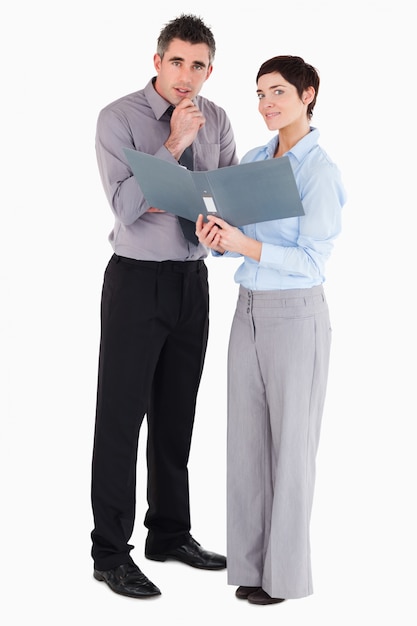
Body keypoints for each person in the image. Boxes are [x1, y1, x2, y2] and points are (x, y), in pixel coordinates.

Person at [91, 14, 238, 599]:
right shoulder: (119, 119)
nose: (187, 75)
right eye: (177, 61)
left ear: (209, 68)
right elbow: (127, 205)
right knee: (121, 420)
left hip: (190, 283)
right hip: (135, 283)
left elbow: (221, 198)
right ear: (158, 62)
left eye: (198, 64)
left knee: (177, 417)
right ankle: (109, 552)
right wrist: (173, 144)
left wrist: (219, 215)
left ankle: (170, 533)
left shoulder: (220, 119)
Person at [196, 55, 346, 605]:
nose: (266, 104)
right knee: (247, 444)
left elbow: (313, 261)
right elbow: (238, 237)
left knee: (292, 450)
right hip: (248, 310)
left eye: (278, 92)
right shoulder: (257, 159)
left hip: (295, 316)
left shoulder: (318, 170)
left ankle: (284, 578)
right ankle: (252, 568)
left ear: (308, 94)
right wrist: (216, 235)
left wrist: (246, 246)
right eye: (260, 94)